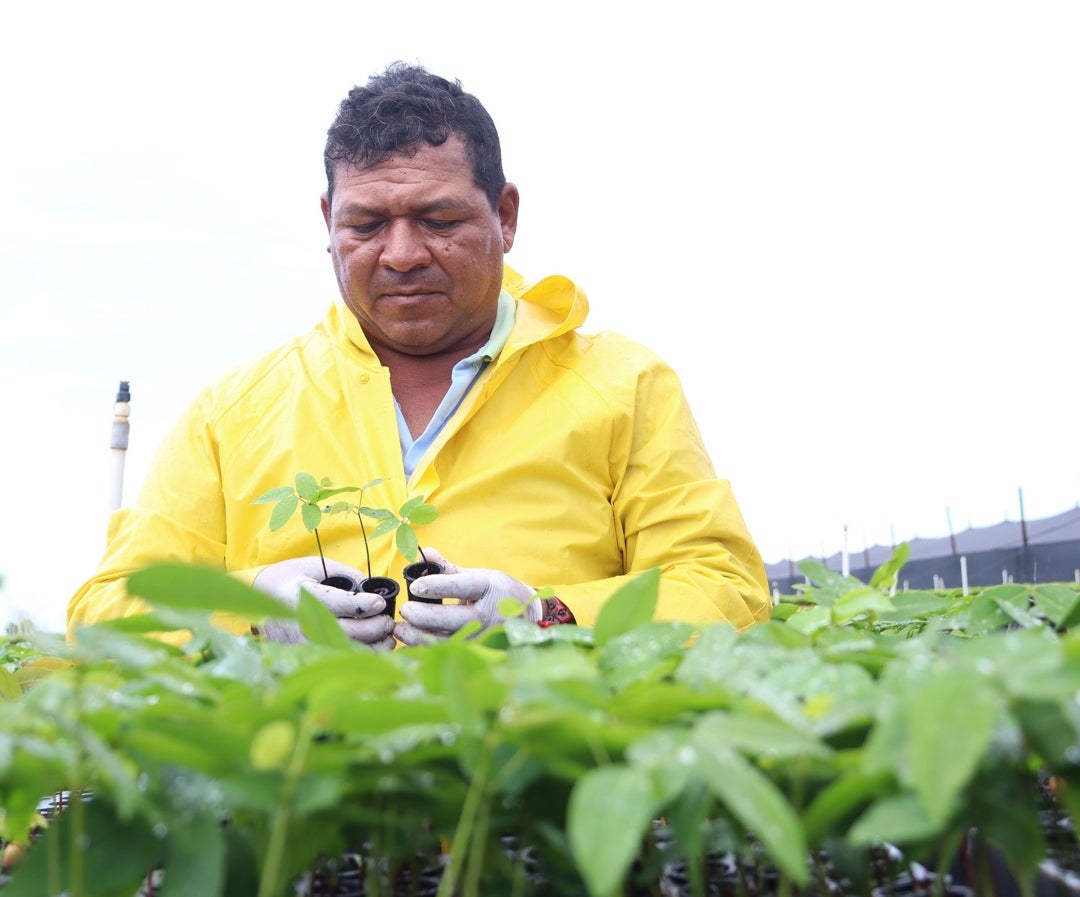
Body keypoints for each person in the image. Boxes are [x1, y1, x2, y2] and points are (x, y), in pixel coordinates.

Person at [67, 63, 772, 648]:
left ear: (506, 216)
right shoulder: (232, 414)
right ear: (327, 223)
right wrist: (251, 609)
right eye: (367, 225)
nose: (402, 255)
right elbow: (103, 619)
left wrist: (544, 617)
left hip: (536, 797)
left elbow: (725, 589)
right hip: (298, 807)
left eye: (440, 221)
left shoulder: (624, 386)